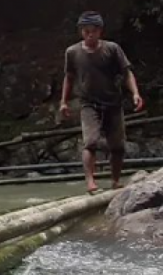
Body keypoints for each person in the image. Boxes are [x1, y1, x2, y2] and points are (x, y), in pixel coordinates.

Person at [60, 11, 145, 193]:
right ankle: (91, 182)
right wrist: (63, 102)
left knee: (118, 146)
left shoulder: (112, 49)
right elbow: (69, 77)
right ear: (81, 32)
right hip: (88, 103)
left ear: (100, 31)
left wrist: (135, 93)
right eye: (86, 31)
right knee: (90, 142)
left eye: (93, 31)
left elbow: (127, 73)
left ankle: (115, 181)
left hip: (113, 102)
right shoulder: (73, 52)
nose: (90, 35)